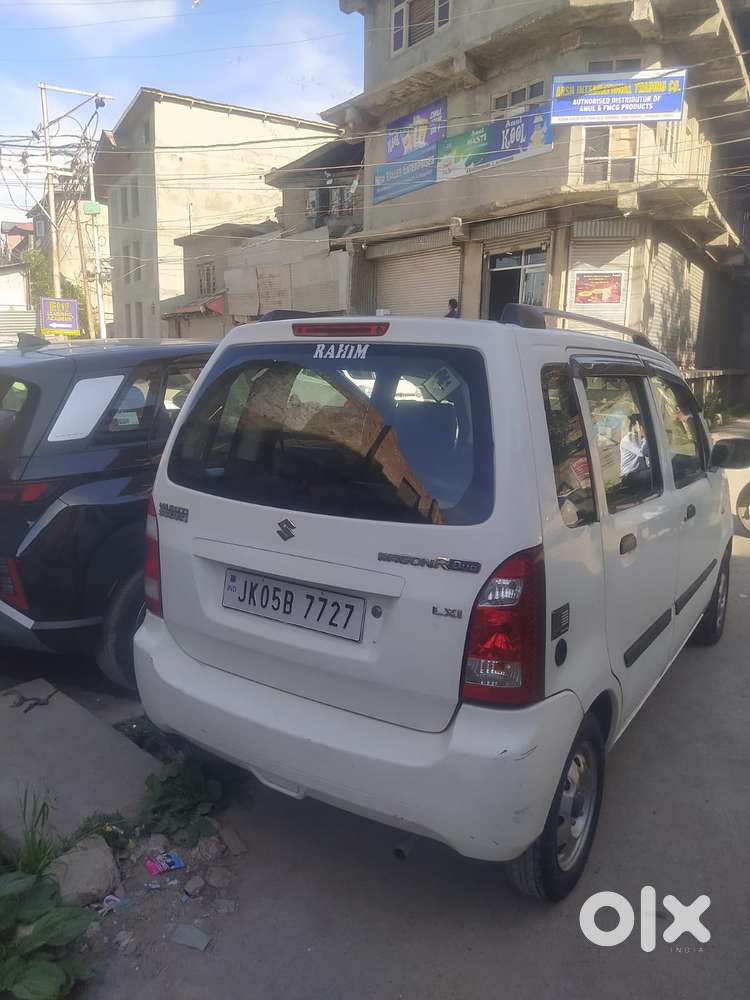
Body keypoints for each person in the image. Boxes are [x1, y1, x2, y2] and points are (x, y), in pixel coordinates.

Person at [620, 413, 649, 477]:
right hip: (630, 475)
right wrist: (646, 435)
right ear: (635, 425)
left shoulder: (638, 438)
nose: (644, 427)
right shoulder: (627, 439)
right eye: (642, 425)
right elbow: (642, 453)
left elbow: (647, 453)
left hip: (639, 472)